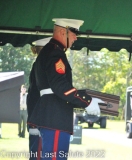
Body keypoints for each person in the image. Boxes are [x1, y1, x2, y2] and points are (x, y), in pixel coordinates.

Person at [27, 18, 102, 160]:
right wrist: (87, 101)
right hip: (55, 116)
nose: (75, 38)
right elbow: (60, 86)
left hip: (52, 116)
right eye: (74, 33)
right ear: (63, 31)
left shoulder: (51, 51)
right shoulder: (54, 53)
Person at [27, 37, 51, 160]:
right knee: (38, 154)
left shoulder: (37, 66)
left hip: (35, 117)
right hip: (39, 119)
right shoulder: (41, 67)